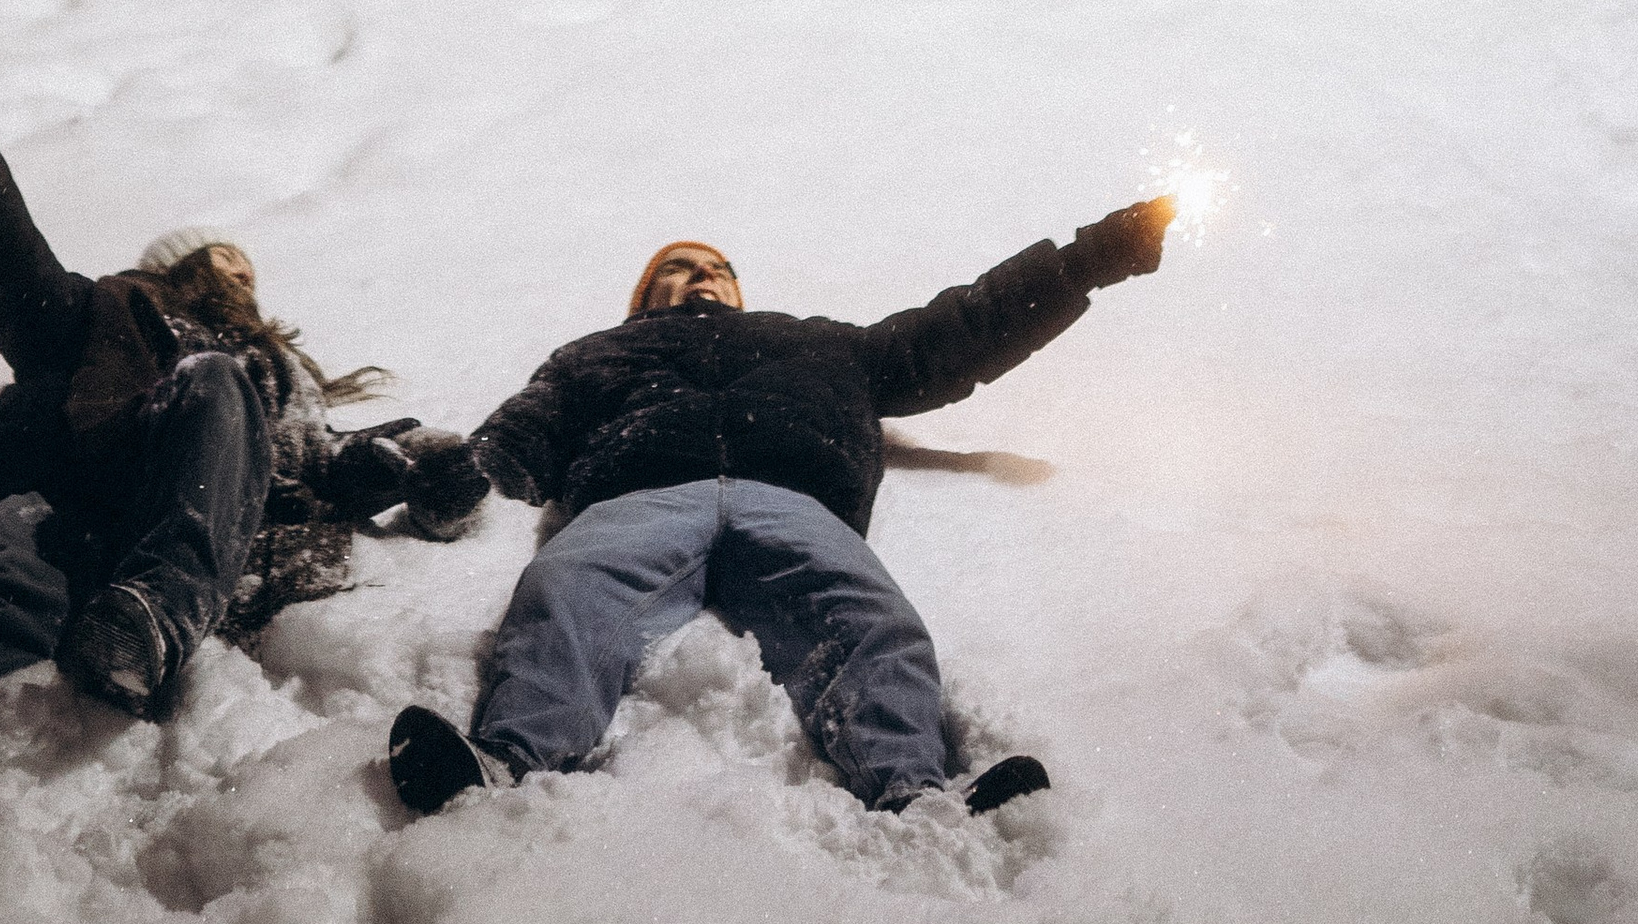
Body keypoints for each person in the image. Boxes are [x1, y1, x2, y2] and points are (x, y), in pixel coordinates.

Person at [386, 199, 1174, 822]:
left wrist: (1092, 258)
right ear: (644, 295)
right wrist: (472, 471)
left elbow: (958, 331)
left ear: (737, 287)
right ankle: (503, 761)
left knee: (873, 621)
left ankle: (916, 792)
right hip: (639, 498)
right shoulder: (595, 354)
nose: (701, 275)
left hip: (795, 504)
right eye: (679, 267)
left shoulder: (822, 343)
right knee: (569, 588)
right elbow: (529, 427)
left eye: (717, 267)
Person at [0, 78, 486, 805]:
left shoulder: (266, 377)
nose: (246, 274)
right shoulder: (108, 311)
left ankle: (148, 620)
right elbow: (9, 271)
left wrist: (411, 460)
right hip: (87, 500)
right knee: (13, 538)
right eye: (226, 259)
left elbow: (319, 459)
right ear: (179, 268)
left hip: (200, 522)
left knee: (213, 381)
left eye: (249, 269)